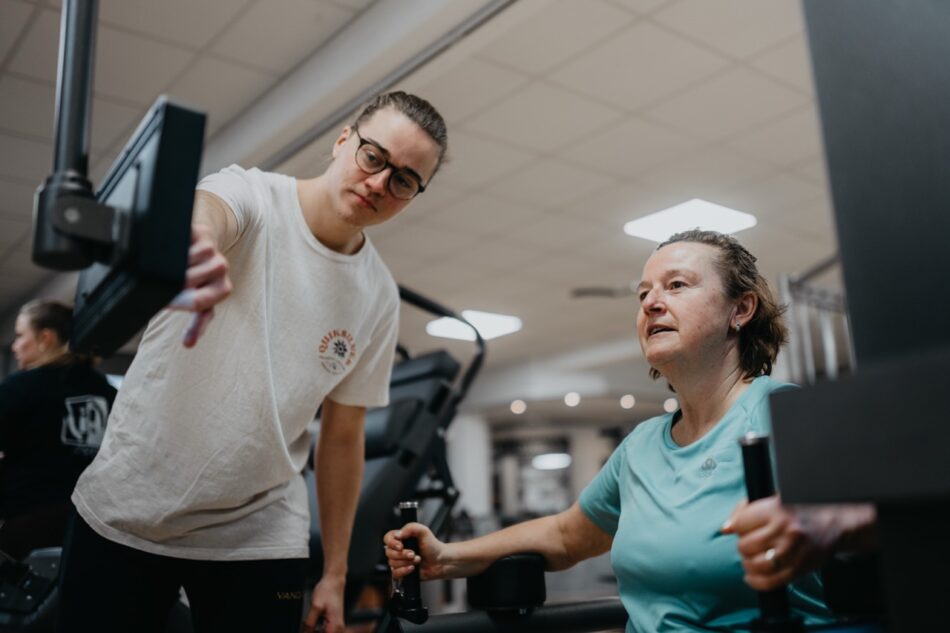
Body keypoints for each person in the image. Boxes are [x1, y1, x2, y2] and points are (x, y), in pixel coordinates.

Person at [59, 91, 447, 633]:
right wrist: (195, 243)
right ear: (342, 141)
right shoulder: (251, 195)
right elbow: (210, 211)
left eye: (404, 180)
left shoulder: (378, 294)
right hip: (132, 505)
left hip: (260, 529)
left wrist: (336, 573)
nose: (381, 183)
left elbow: (343, 435)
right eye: (374, 156)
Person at [386, 230, 875, 631]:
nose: (651, 303)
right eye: (644, 294)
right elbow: (564, 535)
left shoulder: (783, 412)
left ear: (740, 310)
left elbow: (900, 511)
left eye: (677, 285)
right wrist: (446, 556)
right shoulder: (641, 447)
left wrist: (837, 524)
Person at [0, 299, 116, 560]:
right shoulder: (109, 394)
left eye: (20, 335)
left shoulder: (21, 388)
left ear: (45, 337)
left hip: (29, 526)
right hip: (95, 529)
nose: (15, 345)